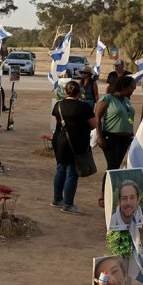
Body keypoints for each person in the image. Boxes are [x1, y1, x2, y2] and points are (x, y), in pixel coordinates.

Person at [52, 81, 97, 215]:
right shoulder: (84, 107)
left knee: (61, 168)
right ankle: (68, 205)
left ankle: (57, 199)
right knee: (72, 172)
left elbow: (57, 122)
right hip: (75, 142)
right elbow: (94, 124)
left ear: (66, 91)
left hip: (59, 141)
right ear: (79, 92)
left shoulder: (58, 105)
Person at [95, 75, 136, 171]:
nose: (132, 91)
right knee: (112, 168)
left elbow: (129, 117)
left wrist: (131, 135)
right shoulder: (107, 98)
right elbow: (97, 118)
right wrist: (100, 137)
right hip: (111, 138)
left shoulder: (126, 100)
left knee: (116, 167)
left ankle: (112, 186)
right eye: (131, 88)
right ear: (123, 87)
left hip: (126, 139)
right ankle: (106, 186)